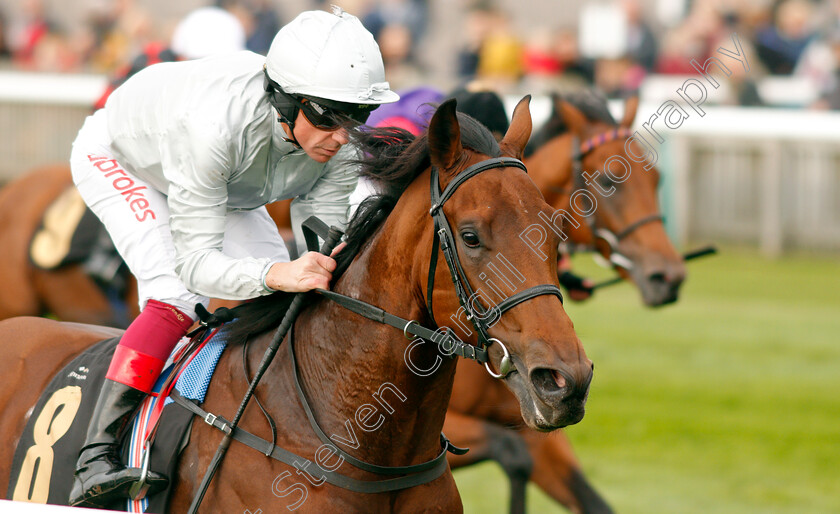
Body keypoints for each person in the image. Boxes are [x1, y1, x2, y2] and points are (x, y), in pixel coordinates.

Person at [68, 7, 398, 507]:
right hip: (123, 158)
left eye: (358, 116)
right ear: (286, 101)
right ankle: (95, 458)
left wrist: (309, 267)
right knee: (177, 292)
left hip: (223, 185)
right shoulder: (212, 129)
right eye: (329, 115)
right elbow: (196, 264)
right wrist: (277, 271)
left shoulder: (340, 142)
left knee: (283, 297)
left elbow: (320, 233)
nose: (343, 134)